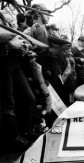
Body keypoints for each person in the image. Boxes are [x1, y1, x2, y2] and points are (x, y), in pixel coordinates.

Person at [0, 11, 35, 151]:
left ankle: (25, 131)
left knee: (28, 98)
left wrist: (23, 47)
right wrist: (11, 42)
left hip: (15, 62)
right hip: (3, 63)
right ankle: (13, 138)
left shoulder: (4, 13)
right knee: (8, 104)